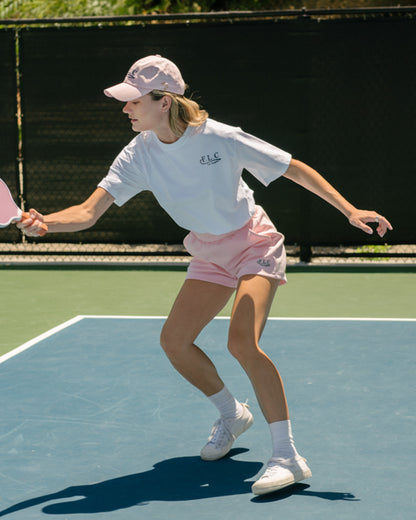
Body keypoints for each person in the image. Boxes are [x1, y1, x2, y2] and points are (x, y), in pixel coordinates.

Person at [18, 55, 392, 496]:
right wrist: (46, 223)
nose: (125, 109)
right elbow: (87, 211)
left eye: (133, 101)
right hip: (210, 251)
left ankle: (288, 456)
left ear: (164, 101)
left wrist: (350, 211)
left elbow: (292, 166)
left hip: (253, 242)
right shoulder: (137, 154)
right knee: (174, 342)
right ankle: (232, 414)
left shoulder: (219, 137)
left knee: (241, 342)